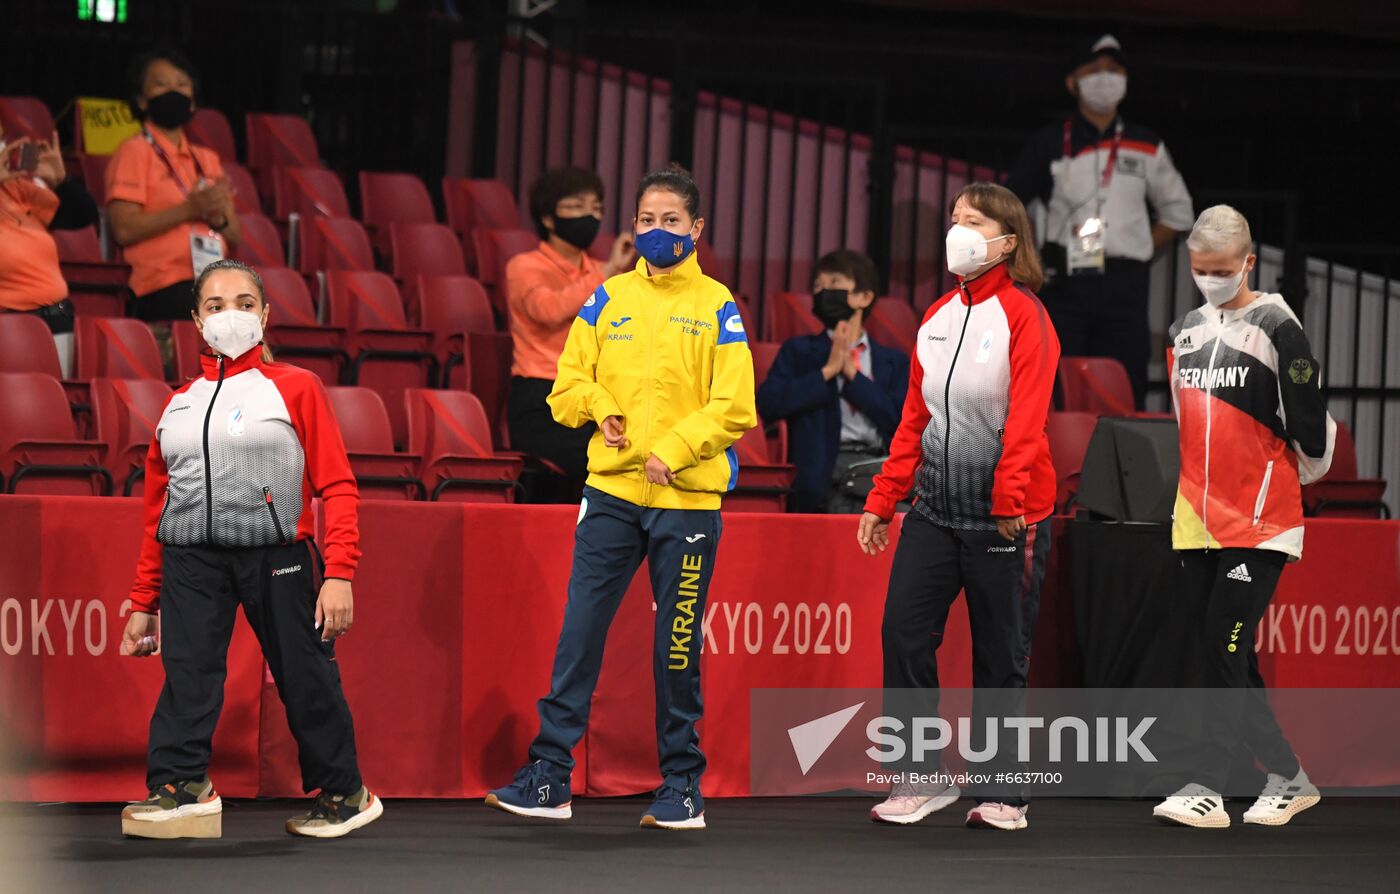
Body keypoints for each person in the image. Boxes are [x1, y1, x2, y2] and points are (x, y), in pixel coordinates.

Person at [486, 165, 756, 831]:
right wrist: (600, 409)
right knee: (580, 633)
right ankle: (550, 774)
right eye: (645, 220)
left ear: (696, 229)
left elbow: (736, 407)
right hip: (609, 492)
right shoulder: (607, 298)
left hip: (686, 501)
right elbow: (566, 383)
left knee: (677, 644)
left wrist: (679, 447)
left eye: (670, 220)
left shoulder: (718, 305)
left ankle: (682, 785)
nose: (656, 231)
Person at [119, 260, 381, 840]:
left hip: (277, 553)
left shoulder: (296, 387)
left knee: (303, 675)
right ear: (195, 320)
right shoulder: (177, 405)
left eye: (243, 303)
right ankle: (181, 786)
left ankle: (345, 793)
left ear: (265, 315)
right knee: (187, 673)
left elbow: (336, 485)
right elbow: (156, 514)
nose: (229, 315)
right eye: (214, 306)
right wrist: (144, 600)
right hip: (190, 558)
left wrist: (339, 571)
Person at [857, 182, 1059, 832]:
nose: (958, 229)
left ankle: (1005, 793)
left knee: (1000, 654)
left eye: (973, 221)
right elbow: (915, 418)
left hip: (1008, 516)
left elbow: (1027, 419)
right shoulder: (938, 316)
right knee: (903, 632)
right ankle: (918, 778)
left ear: (1008, 241)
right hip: (935, 513)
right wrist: (884, 500)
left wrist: (1009, 500)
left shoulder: (1026, 317)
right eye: (954, 218)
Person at [1151, 206, 1330, 829]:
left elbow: (1310, 419)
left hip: (1260, 523)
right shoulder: (1184, 332)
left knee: (1223, 644)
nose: (1210, 280)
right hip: (1198, 520)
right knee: (1227, 651)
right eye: (1200, 270)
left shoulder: (1279, 325)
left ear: (1248, 263)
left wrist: (1287, 480)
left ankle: (1210, 783)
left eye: (1223, 270)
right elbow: (1183, 424)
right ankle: (1288, 775)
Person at [1007, 33, 1192, 409]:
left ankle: (1124, 464)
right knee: (1057, 382)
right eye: (1095, 70)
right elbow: (1009, 204)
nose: (1105, 78)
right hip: (1065, 284)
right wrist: (1033, 258)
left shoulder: (1145, 143)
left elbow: (1179, 212)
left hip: (1125, 285)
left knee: (1123, 383)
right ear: (1073, 82)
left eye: (1114, 70)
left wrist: (1138, 248)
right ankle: (1058, 462)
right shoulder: (1049, 142)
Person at [505, 166, 635, 497]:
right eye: (577, 207)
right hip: (542, 399)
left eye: (596, 208)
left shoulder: (599, 271)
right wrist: (609, 271)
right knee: (612, 457)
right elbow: (549, 310)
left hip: (592, 397)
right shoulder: (524, 266)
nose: (590, 217)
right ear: (548, 218)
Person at [106, 49, 241, 354]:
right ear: (141, 99)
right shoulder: (134, 151)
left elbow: (234, 234)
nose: (173, 91)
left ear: (192, 100)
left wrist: (216, 216)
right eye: (161, 84)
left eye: (182, 84)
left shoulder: (206, 159)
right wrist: (189, 210)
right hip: (162, 285)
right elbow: (123, 229)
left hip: (212, 280)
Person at [757, 249, 908, 513]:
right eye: (818, 286)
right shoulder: (799, 351)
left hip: (877, 464)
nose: (824, 291)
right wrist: (826, 372)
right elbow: (769, 403)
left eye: (835, 284)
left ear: (865, 297)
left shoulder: (893, 361)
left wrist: (852, 375)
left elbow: (901, 420)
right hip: (821, 468)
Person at [1, 125, 99, 376]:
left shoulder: (14, 188)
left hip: (56, 321)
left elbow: (82, 216)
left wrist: (61, 182)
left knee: (55, 406)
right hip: (9, 328)